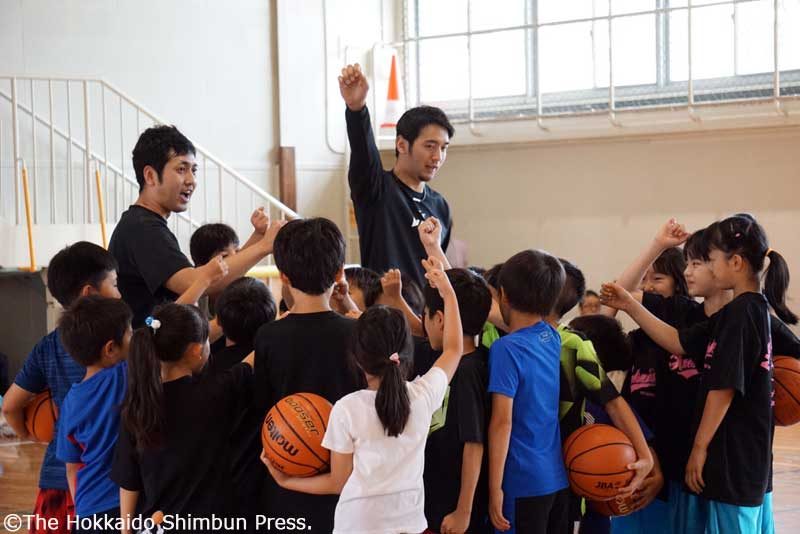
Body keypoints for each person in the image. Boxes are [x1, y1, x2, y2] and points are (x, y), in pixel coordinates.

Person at [601, 214, 796, 533]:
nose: (692, 269)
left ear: (734, 263)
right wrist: (632, 298)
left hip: (731, 463)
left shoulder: (746, 313)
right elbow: (676, 341)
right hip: (699, 467)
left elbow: (724, 387)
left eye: (703, 261)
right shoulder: (709, 315)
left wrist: (700, 447)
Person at [263, 257, 464, 534]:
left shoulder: (347, 409)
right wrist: (448, 293)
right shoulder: (423, 396)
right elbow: (453, 349)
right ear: (405, 353)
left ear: (357, 358)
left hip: (358, 526)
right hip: (410, 525)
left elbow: (338, 482)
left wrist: (286, 481)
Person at [109, 125, 284, 326]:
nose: (191, 180)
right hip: (146, 353)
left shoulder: (144, 224)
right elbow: (196, 283)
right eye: (181, 169)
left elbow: (214, 276)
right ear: (149, 176)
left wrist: (258, 238)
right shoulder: (142, 228)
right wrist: (263, 247)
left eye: (193, 170)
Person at [252, 217, 364, 533]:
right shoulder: (357, 333)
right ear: (340, 272)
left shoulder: (268, 336)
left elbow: (263, 403)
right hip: (349, 477)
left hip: (287, 473)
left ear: (283, 276)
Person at [2, 242, 120, 534]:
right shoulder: (121, 346)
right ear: (89, 293)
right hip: (107, 485)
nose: (119, 293)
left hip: (57, 476)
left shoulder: (47, 345)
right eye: (115, 284)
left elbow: (10, 405)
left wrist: (30, 434)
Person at [112, 303, 254, 534]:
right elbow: (249, 364)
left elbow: (129, 482)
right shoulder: (216, 393)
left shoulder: (137, 407)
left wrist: (126, 531)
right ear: (197, 350)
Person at [339, 63, 454, 288]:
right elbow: (364, 151)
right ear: (402, 144)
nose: (437, 157)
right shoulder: (376, 189)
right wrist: (357, 108)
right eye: (430, 146)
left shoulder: (441, 206)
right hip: (388, 318)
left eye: (444, 147)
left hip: (429, 319)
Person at [487, 249, 569, 534]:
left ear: (503, 295)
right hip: (555, 480)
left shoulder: (505, 349)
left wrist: (495, 487)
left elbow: (502, 422)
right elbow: (513, 322)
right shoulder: (551, 336)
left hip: (520, 481)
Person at [422, 268, 493, 533]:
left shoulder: (465, 373)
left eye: (425, 314)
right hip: (438, 500)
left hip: (454, 509)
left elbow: (474, 444)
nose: (423, 323)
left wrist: (464, 510)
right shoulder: (467, 358)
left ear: (439, 319)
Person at [55, 296, 133, 533]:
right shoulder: (122, 375)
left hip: (88, 509)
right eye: (130, 333)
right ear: (110, 349)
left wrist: (82, 511)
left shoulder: (70, 401)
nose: (134, 338)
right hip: (122, 503)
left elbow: (72, 467)